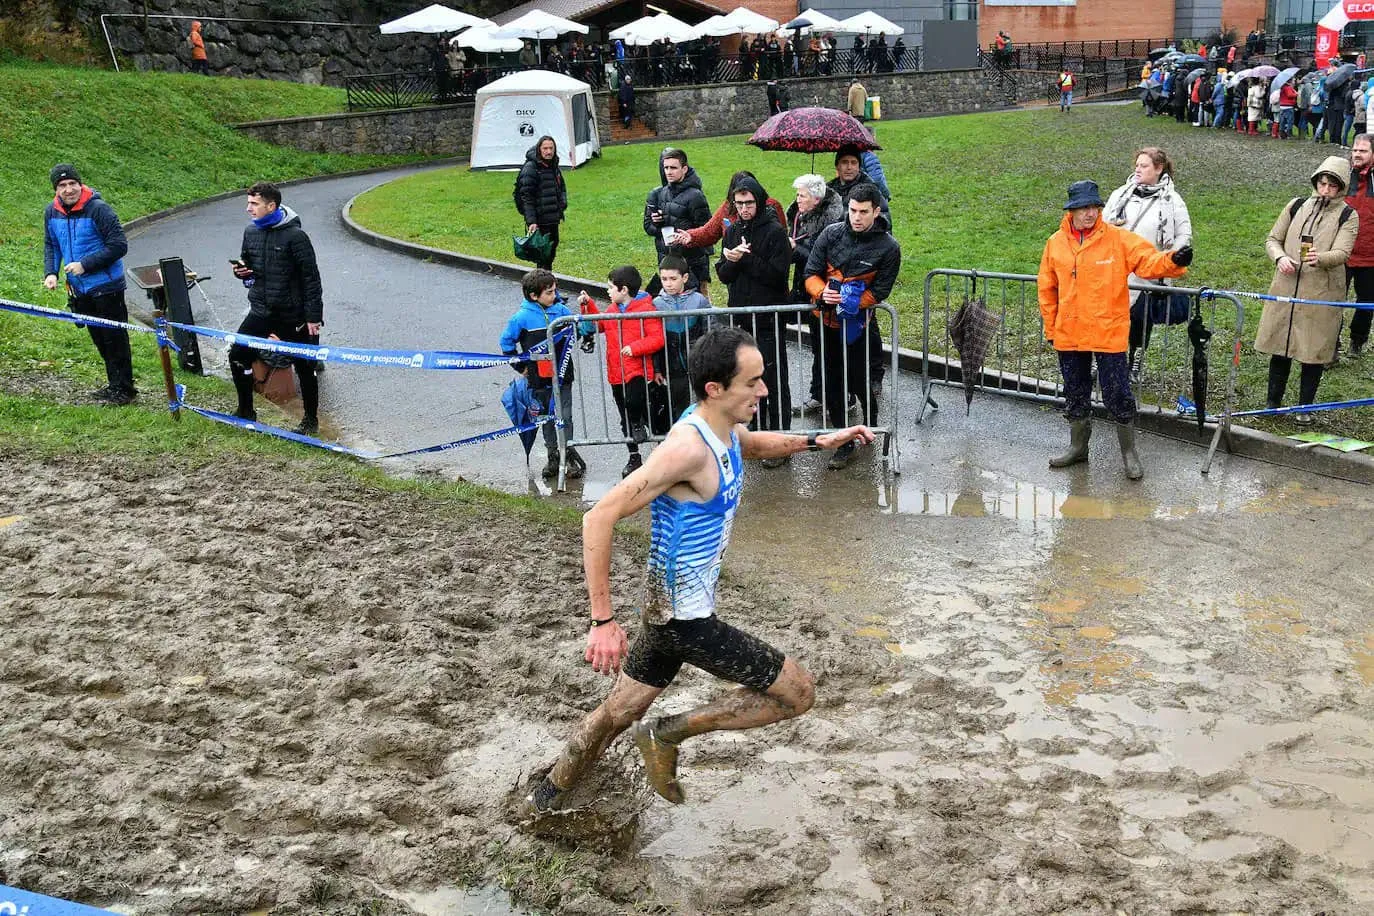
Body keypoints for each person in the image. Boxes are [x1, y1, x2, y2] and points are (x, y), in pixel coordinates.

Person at [521, 326, 876, 816]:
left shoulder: (721, 427)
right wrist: (602, 621)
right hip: (684, 620)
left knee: (617, 712)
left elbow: (752, 445)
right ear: (715, 388)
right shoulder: (686, 449)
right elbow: (597, 517)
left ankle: (544, 800)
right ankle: (665, 735)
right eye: (752, 382)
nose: (764, 390)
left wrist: (821, 439)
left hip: (664, 613)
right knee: (798, 693)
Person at [1037, 180, 1192, 479]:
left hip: (1108, 332)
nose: (1090, 214)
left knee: (1118, 394)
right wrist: (1052, 329)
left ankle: (1129, 454)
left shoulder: (1118, 239)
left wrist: (1173, 261)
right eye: (1083, 208)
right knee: (1075, 392)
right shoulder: (1055, 243)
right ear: (1071, 211)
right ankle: (1078, 448)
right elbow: (1047, 289)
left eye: (1094, 207)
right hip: (1070, 332)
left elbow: (1148, 261)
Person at [803, 184, 900, 469]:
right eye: (853, 210)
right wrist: (822, 293)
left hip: (857, 327)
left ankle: (871, 425)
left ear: (876, 211)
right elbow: (810, 272)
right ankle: (843, 443)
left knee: (859, 381)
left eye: (863, 212)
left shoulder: (889, 247)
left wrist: (852, 302)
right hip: (824, 322)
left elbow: (881, 290)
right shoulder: (831, 233)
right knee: (832, 385)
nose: (856, 217)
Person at [1256, 157, 1358, 422]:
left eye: (1332, 185)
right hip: (1286, 285)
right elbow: (1273, 239)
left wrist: (1320, 258)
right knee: (1280, 345)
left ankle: (1304, 408)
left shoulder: (1348, 215)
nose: (1325, 190)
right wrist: (1279, 257)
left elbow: (1343, 252)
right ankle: (1272, 403)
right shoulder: (1296, 205)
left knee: (1314, 350)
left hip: (1322, 291)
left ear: (1341, 187)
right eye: (1322, 183)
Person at [228, 182, 322, 432]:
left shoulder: (296, 237)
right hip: (261, 311)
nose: (249, 208)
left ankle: (310, 421)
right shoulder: (251, 231)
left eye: (254, 203)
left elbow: (311, 279)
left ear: (271, 206)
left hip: (292, 314)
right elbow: (248, 266)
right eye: (248, 203)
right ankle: (246, 410)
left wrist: (314, 317)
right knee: (238, 356)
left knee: (305, 366)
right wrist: (241, 271)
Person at [42, 163, 137, 406]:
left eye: (72, 183)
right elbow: (52, 244)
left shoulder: (99, 209)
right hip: (79, 288)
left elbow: (119, 245)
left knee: (114, 339)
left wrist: (85, 264)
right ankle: (115, 385)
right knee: (99, 338)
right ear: (56, 189)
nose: (69, 189)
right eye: (62, 185)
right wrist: (51, 272)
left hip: (107, 285)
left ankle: (125, 390)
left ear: (80, 184)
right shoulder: (51, 212)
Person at [715, 176, 793, 447]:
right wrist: (732, 260)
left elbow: (778, 275)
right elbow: (723, 274)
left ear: (758, 202)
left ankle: (780, 439)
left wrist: (745, 259)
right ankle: (755, 435)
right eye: (739, 204)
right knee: (747, 378)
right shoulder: (732, 231)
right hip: (742, 317)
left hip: (769, 317)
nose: (744, 208)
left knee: (773, 377)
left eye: (748, 203)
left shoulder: (775, 232)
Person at [1103, 148, 1193, 382]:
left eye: (1144, 166)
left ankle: (1135, 362)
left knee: (1140, 319)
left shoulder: (1172, 200)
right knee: (1108, 317)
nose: (1138, 169)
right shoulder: (1120, 194)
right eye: (1137, 165)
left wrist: (1170, 260)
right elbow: (1103, 225)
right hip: (1115, 268)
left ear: (1158, 169)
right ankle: (1102, 360)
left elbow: (1183, 234)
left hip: (1150, 270)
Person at [500, 269, 587, 479]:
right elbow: (506, 343)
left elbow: (578, 330)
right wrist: (522, 368)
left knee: (565, 415)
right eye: (549, 292)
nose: (554, 296)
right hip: (539, 379)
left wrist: (582, 318)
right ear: (533, 295)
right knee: (547, 417)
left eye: (555, 290)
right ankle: (552, 454)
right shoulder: (521, 318)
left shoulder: (561, 310)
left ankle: (568, 452)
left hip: (563, 374)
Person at [577, 267, 663, 478]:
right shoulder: (612, 309)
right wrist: (588, 305)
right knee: (624, 415)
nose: (608, 291)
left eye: (610, 287)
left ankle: (658, 447)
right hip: (616, 371)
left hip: (638, 370)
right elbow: (597, 325)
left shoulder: (646, 310)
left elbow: (657, 338)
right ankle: (634, 456)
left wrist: (635, 348)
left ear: (624, 290)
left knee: (637, 404)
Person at [786, 174, 845, 416]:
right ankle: (818, 395)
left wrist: (795, 248)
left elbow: (818, 258)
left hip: (826, 292)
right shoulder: (798, 217)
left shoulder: (830, 224)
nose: (797, 199)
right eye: (797, 194)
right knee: (818, 348)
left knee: (831, 351)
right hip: (808, 289)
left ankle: (842, 398)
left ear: (817, 199)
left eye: (802, 195)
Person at [670, 169, 786, 267]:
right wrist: (691, 236)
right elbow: (709, 232)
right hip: (734, 269)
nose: (744, 207)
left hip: (764, 267)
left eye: (749, 201)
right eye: (739, 201)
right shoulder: (727, 208)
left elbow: (782, 240)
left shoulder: (771, 206)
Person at [652, 255, 713, 427]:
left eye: (673, 279)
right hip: (672, 366)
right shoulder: (656, 304)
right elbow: (654, 339)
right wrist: (656, 369)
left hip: (697, 364)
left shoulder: (699, 300)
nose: (668, 284)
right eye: (664, 279)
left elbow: (710, 332)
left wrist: (709, 361)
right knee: (678, 409)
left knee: (705, 405)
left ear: (684, 278)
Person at [644, 148, 713, 298]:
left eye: (673, 168)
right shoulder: (660, 194)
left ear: (684, 169)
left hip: (692, 263)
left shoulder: (695, 196)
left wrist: (687, 236)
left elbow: (707, 231)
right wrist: (657, 223)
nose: (669, 172)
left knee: (696, 304)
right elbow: (648, 227)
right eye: (666, 168)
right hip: (668, 261)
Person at [515, 135, 567, 272]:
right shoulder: (531, 168)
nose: (548, 151)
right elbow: (526, 197)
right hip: (540, 220)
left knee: (550, 252)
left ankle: (546, 281)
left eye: (551, 148)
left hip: (553, 218)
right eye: (545, 148)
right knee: (542, 255)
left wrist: (562, 204)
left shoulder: (553, 165)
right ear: (539, 149)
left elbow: (561, 187)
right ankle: (543, 282)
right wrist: (531, 221)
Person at [1345, 134, 1374, 357]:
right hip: (1341, 254)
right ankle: (1329, 344)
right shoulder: (1342, 176)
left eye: (1363, 151)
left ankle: (1357, 340)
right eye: (1355, 150)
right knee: (1330, 301)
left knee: (1366, 303)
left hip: (1370, 256)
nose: (1357, 154)